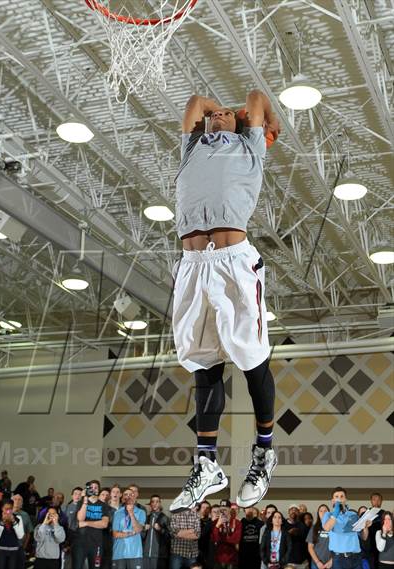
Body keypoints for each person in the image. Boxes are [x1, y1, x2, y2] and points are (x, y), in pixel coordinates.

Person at [170, 89, 280, 512]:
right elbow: (194, 100)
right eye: (212, 117)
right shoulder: (192, 147)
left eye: (226, 116)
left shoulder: (250, 146)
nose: (216, 116)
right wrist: (215, 112)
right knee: (202, 361)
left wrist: (240, 117)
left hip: (234, 262)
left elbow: (255, 97)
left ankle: (264, 451)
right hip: (192, 264)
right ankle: (206, 463)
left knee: (252, 361)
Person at [322, 487, 372, 569]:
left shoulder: (353, 515)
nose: (339, 499)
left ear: (345, 499)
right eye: (336, 497)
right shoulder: (328, 515)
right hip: (339, 559)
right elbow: (327, 528)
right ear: (333, 500)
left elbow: (364, 537)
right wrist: (336, 512)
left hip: (356, 557)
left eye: (342, 496)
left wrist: (365, 527)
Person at [76, 480, 110, 569]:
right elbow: (80, 519)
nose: (93, 489)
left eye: (96, 488)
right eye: (91, 488)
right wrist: (85, 500)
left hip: (96, 543)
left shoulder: (103, 505)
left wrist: (86, 523)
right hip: (81, 542)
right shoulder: (82, 502)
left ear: (98, 490)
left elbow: (104, 524)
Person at [112, 487, 146, 569]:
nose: (128, 496)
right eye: (126, 495)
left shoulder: (141, 512)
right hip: (119, 553)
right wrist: (131, 533)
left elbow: (138, 529)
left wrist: (131, 513)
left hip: (135, 554)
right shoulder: (117, 513)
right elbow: (115, 534)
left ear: (135, 497)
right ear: (123, 498)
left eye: (131, 494)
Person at [0, 499, 25, 569]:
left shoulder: (18, 518)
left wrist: (13, 521)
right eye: (6, 509)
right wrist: (2, 522)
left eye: (10, 509)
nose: (8, 511)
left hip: (13, 550)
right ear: (2, 508)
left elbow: (20, 536)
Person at [211, 499, 242, 569]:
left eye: (225, 509)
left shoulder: (237, 523)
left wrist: (222, 538)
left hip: (232, 559)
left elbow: (235, 539)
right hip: (218, 559)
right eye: (221, 510)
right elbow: (214, 539)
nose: (223, 512)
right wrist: (217, 525)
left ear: (230, 510)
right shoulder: (215, 523)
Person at [142, 495, 170, 569]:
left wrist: (160, 529)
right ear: (150, 504)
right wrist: (143, 529)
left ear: (160, 503)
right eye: (152, 502)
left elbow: (169, 536)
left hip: (158, 555)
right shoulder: (146, 518)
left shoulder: (165, 518)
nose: (154, 503)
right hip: (146, 554)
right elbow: (142, 536)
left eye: (157, 502)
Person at [63, 487, 82, 569]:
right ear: (72, 496)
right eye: (75, 494)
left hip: (81, 537)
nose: (77, 496)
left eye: (80, 494)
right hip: (70, 537)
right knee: (68, 562)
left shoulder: (85, 507)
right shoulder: (66, 507)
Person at [307, 505, 331, 569]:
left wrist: (331, 561)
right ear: (318, 514)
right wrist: (317, 562)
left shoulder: (334, 527)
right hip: (316, 564)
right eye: (321, 511)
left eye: (325, 511)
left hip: (331, 563)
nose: (323, 513)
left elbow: (338, 547)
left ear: (329, 513)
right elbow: (310, 547)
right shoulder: (314, 528)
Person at [12, 494, 34, 566]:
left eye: (19, 500)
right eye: (15, 499)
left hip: (20, 547)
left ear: (22, 503)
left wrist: (24, 547)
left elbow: (28, 533)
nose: (17, 501)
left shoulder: (25, 515)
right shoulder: (7, 513)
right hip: (7, 547)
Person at [286, 504, 309, 569]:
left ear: (299, 512)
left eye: (296, 510)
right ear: (288, 512)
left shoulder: (302, 525)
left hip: (303, 562)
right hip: (289, 561)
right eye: (291, 510)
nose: (293, 511)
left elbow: (307, 540)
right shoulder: (283, 524)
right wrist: (289, 533)